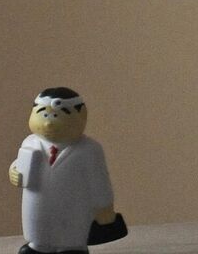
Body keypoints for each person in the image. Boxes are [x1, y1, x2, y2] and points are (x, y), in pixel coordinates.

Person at [8, 89, 118, 254]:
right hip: (38, 202)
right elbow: (20, 163)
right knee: (38, 227)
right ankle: (39, 246)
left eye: (55, 116)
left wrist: (104, 206)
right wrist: (14, 170)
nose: (48, 124)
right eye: (44, 115)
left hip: (74, 204)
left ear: (81, 115)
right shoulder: (30, 143)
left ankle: (71, 248)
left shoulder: (89, 150)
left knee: (71, 232)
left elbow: (99, 180)